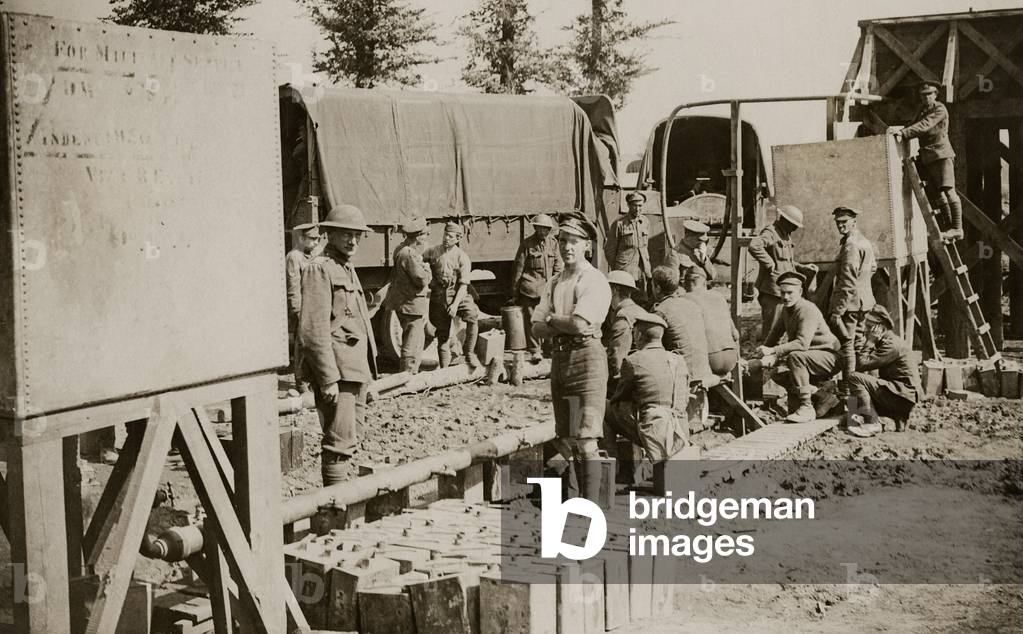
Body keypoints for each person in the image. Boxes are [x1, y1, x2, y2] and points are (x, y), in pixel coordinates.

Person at [531, 211, 612, 503]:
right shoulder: (554, 282)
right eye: (563, 241)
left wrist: (552, 319)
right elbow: (535, 327)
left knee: (587, 438)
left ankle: (592, 507)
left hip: (586, 361)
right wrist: (557, 322)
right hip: (561, 361)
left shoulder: (594, 280)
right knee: (567, 436)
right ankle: (577, 501)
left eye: (574, 241)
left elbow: (579, 324)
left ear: (587, 245)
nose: (567, 247)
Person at [299, 205, 376, 486]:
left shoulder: (345, 266)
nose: (352, 241)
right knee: (338, 444)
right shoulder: (320, 269)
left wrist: (368, 375)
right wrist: (328, 379)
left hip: (354, 371)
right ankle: (334, 506)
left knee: (352, 438)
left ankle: (344, 500)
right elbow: (313, 330)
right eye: (346, 234)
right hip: (338, 374)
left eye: (357, 235)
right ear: (329, 234)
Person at [604, 311, 689, 494]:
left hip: (654, 430)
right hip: (679, 430)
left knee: (604, 409)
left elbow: (619, 398)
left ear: (639, 335)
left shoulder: (633, 361)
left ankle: (613, 468)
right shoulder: (678, 360)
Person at [756, 271, 842, 423]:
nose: (785, 297)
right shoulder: (786, 310)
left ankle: (806, 407)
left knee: (795, 357)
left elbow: (802, 343)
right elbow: (774, 336)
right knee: (777, 373)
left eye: (790, 293)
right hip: (810, 358)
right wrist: (758, 355)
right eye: (782, 293)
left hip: (829, 357)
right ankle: (822, 395)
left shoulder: (807, 309)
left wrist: (774, 351)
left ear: (800, 292)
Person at [890, 82, 961, 241]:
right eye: (923, 95)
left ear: (936, 94)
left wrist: (903, 132)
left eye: (929, 94)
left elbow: (924, 125)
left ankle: (957, 228)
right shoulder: (921, 110)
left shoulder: (939, 109)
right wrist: (898, 130)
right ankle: (948, 228)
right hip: (928, 157)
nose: (926, 97)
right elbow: (913, 124)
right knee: (939, 194)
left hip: (941, 155)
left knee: (949, 191)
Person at [846, 305, 923, 437]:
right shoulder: (889, 341)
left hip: (901, 396)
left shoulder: (890, 344)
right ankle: (894, 420)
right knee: (852, 402)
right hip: (902, 395)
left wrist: (869, 342)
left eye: (869, 326)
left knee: (854, 377)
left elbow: (860, 365)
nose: (865, 330)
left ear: (879, 328)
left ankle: (872, 423)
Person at [827, 206, 877, 405]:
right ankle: (866, 389)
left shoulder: (850, 245)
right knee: (859, 345)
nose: (840, 226)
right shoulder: (864, 241)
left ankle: (849, 393)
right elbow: (873, 267)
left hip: (850, 306)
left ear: (854, 222)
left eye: (844, 222)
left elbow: (847, 280)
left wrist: (837, 311)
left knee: (847, 347)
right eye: (838, 222)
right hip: (864, 302)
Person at [748, 205, 819, 338]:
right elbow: (754, 245)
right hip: (773, 292)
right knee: (771, 332)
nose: (795, 228)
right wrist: (769, 263)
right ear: (785, 220)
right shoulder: (771, 232)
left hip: (784, 291)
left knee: (781, 330)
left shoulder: (785, 235)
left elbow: (785, 262)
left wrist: (803, 267)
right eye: (793, 225)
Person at [424, 222, 481, 369]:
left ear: (458, 238)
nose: (446, 238)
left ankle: (469, 353)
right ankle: (444, 370)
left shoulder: (462, 257)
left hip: (458, 293)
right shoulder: (433, 251)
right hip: (439, 295)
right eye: (445, 235)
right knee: (442, 334)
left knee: (472, 315)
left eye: (450, 236)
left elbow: (464, 285)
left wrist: (455, 305)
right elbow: (418, 259)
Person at [382, 216, 432, 374]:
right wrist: (427, 268)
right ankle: (407, 376)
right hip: (411, 304)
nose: (426, 237)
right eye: (424, 234)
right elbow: (422, 280)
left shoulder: (401, 249)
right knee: (412, 343)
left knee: (415, 340)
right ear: (418, 237)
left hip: (405, 302)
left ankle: (411, 373)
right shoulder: (409, 255)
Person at [511, 213, 562, 362]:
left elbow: (558, 267)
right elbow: (518, 269)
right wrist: (514, 292)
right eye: (539, 228)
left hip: (548, 289)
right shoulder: (526, 244)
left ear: (549, 230)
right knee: (532, 320)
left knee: (549, 319)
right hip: (530, 289)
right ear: (535, 228)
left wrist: (557, 286)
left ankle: (548, 348)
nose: (542, 231)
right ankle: (534, 350)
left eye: (545, 229)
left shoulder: (554, 244)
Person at [651, 264, 713, 384]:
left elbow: (651, 346)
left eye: (652, 285)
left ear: (657, 288)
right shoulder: (691, 305)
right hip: (704, 371)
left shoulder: (660, 311)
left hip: (682, 376)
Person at [683, 266, 739, 378]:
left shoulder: (684, 299)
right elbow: (735, 335)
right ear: (704, 283)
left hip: (709, 360)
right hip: (731, 357)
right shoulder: (718, 296)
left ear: (684, 284)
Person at [286, 222, 321, 392]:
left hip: (316, 307)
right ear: (301, 238)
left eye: (318, 239)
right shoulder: (294, 257)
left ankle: (313, 380)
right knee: (301, 346)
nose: (316, 242)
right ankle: (301, 383)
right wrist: (298, 312)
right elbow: (293, 288)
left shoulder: (314, 254)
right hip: (303, 308)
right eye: (312, 238)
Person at [605, 191, 652, 301]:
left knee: (641, 299)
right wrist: (618, 268)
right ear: (628, 205)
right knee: (624, 299)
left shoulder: (645, 222)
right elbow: (609, 250)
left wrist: (647, 267)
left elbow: (645, 246)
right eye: (634, 205)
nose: (637, 209)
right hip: (625, 269)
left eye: (640, 206)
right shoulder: (619, 223)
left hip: (642, 269)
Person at [604, 270, 646, 389]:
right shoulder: (639, 310)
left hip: (630, 380)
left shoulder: (623, 316)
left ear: (614, 290)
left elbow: (616, 358)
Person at [670, 219, 716, 283]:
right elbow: (671, 283)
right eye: (699, 240)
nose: (702, 243)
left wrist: (703, 260)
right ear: (688, 236)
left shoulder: (699, 253)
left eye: (704, 241)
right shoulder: (675, 254)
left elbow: (712, 276)